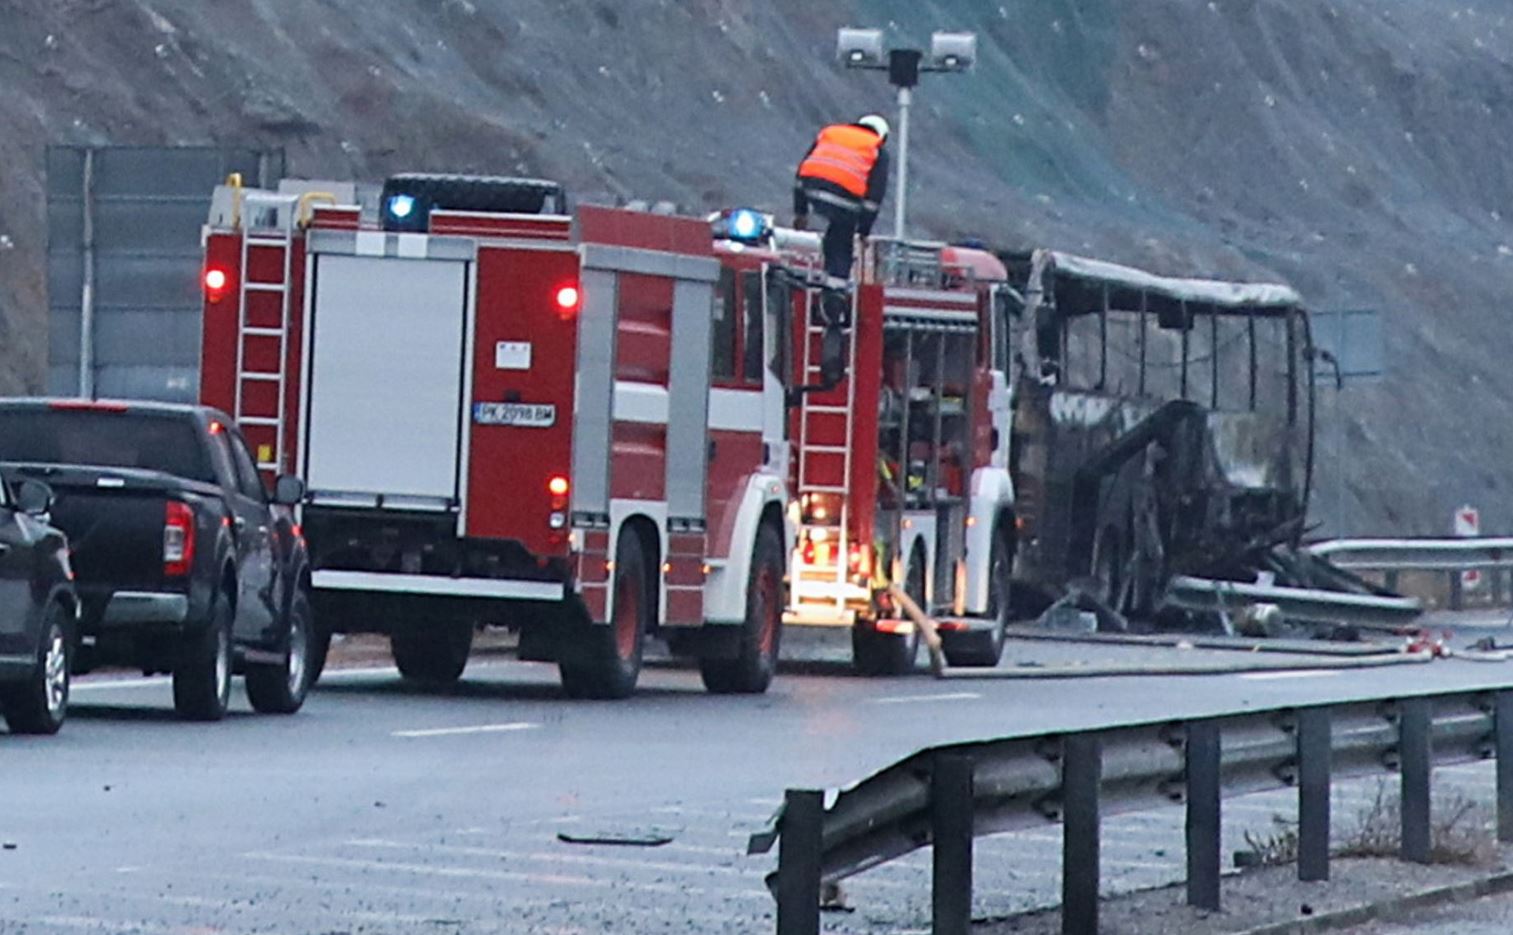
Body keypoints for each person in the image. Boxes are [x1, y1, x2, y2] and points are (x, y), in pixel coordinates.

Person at [792, 114, 891, 287]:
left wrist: (801, 212)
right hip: (845, 198)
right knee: (842, 234)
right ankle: (835, 287)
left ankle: (825, 270)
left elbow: (803, 172)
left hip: (812, 189)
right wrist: (864, 230)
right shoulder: (877, 149)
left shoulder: (829, 133)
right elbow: (874, 197)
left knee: (834, 230)